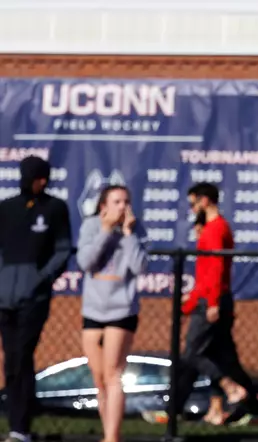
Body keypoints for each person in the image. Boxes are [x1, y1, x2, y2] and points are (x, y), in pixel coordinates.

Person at [171, 183, 258, 426]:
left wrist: (212, 303)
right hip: (209, 297)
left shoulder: (217, 229)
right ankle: (219, 408)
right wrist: (190, 301)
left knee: (193, 353)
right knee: (220, 355)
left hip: (213, 300)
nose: (192, 209)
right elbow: (205, 272)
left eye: (193, 203)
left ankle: (230, 387)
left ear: (205, 201)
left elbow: (217, 269)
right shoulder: (209, 229)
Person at [0, 156, 71, 442]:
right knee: (11, 359)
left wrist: (40, 279)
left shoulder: (55, 208)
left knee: (22, 355)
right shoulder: (6, 208)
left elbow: (62, 250)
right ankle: (17, 422)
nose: (41, 182)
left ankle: (21, 425)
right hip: (5, 299)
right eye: (37, 177)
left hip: (34, 299)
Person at [78, 185, 147, 442]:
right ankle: (107, 431)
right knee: (99, 378)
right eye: (117, 201)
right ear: (103, 205)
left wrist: (128, 234)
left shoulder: (136, 228)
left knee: (113, 372)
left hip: (122, 309)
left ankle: (112, 437)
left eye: (126, 201)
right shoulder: (92, 227)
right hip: (94, 309)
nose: (123, 207)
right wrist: (106, 231)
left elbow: (140, 267)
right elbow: (86, 262)